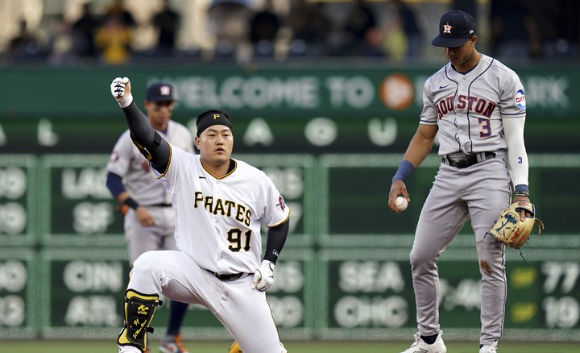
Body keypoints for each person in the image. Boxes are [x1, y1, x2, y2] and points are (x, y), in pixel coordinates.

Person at [388, 10, 535, 353]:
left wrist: (522, 192)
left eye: (456, 44)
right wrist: (400, 175)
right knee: (420, 256)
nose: (449, 51)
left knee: (489, 259)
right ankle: (429, 340)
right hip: (449, 173)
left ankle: (487, 347)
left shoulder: (504, 78)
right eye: (444, 44)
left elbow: (516, 140)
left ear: (473, 39)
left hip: (490, 170)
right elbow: (425, 136)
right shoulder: (434, 84)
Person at [109, 76, 290, 353]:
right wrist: (127, 103)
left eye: (225, 134)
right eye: (211, 134)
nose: (220, 140)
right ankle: (131, 346)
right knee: (147, 265)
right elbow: (146, 137)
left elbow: (279, 220)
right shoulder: (182, 166)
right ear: (197, 141)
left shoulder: (256, 180)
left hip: (242, 285)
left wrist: (269, 261)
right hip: (195, 273)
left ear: (233, 140)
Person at [106, 82, 193, 353]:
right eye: (159, 105)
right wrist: (133, 205)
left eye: (168, 104)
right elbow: (112, 178)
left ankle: (171, 338)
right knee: (141, 278)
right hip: (143, 213)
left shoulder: (182, 134)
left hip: (176, 213)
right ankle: (135, 340)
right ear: (147, 105)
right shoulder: (130, 136)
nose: (164, 110)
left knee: (185, 278)